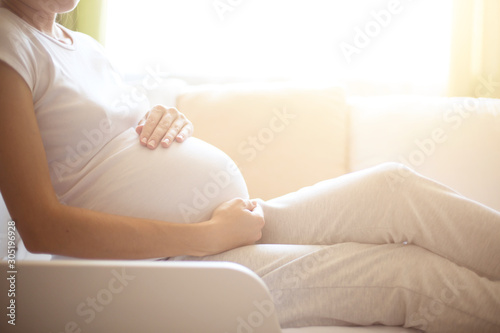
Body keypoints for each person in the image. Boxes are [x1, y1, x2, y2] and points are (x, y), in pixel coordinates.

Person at [0, 1, 498, 332]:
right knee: (407, 276)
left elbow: (108, 145)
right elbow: (43, 228)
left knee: (394, 187)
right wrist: (206, 238)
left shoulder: (83, 47)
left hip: (222, 229)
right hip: (165, 268)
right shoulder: (8, 41)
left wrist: (161, 118)